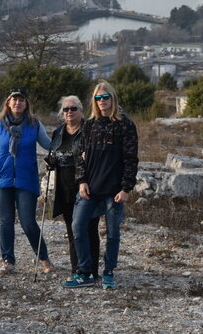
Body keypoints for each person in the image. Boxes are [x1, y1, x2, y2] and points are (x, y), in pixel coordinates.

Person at [63, 80, 139, 290]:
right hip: (90, 189)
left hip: (114, 191)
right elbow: (79, 156)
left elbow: (131, 158)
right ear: (94, 101)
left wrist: (126, 188)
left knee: (113, 234)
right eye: (98, 98)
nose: (102, 101)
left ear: (112, 99)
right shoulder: (89, 125)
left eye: (106, 97)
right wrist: (82, 181)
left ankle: (108, 272)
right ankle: (85, 272)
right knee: (78, 226)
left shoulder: (125, 124)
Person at [0, 88, 54, 275]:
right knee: (6, 220)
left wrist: (68, 138)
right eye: (14, 99)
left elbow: (48, 145)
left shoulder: (34, 124)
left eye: (21, 100)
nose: (17, 103)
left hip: (26, 178)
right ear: (8, 103)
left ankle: (44, 258)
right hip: (2, 177)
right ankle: (8, 261)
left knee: (28, 222)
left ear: (26, 104)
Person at [46, 95, 100, 281]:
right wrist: (51, 160)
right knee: (72, 231)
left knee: (89, 229)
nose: (69, 112)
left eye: (73, 108)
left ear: (81, 110)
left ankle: (92, 270)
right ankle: (76, 269)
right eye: (66, 109)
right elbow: (53, 153)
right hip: (64, 188)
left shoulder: (90, 130)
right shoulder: (58, 132)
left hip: (86, 187)